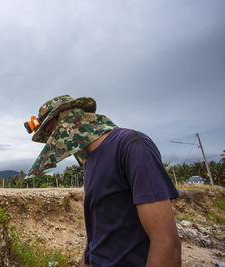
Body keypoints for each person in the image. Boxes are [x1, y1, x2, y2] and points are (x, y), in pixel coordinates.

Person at [24, 95, 181, 267]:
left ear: (68, 119)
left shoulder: (131, 145)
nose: (51, 140)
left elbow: (166, 243)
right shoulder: (90, 161)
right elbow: (97, 228)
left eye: (49, 132)